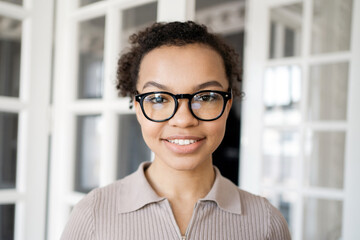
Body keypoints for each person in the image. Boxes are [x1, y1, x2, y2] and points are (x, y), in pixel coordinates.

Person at [61, 21, 291, 240]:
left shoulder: (266, 223)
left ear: (227, 105)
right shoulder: (92, 215)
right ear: (138, 107)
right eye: (159, 98)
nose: (183, 120)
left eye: (206, 97)